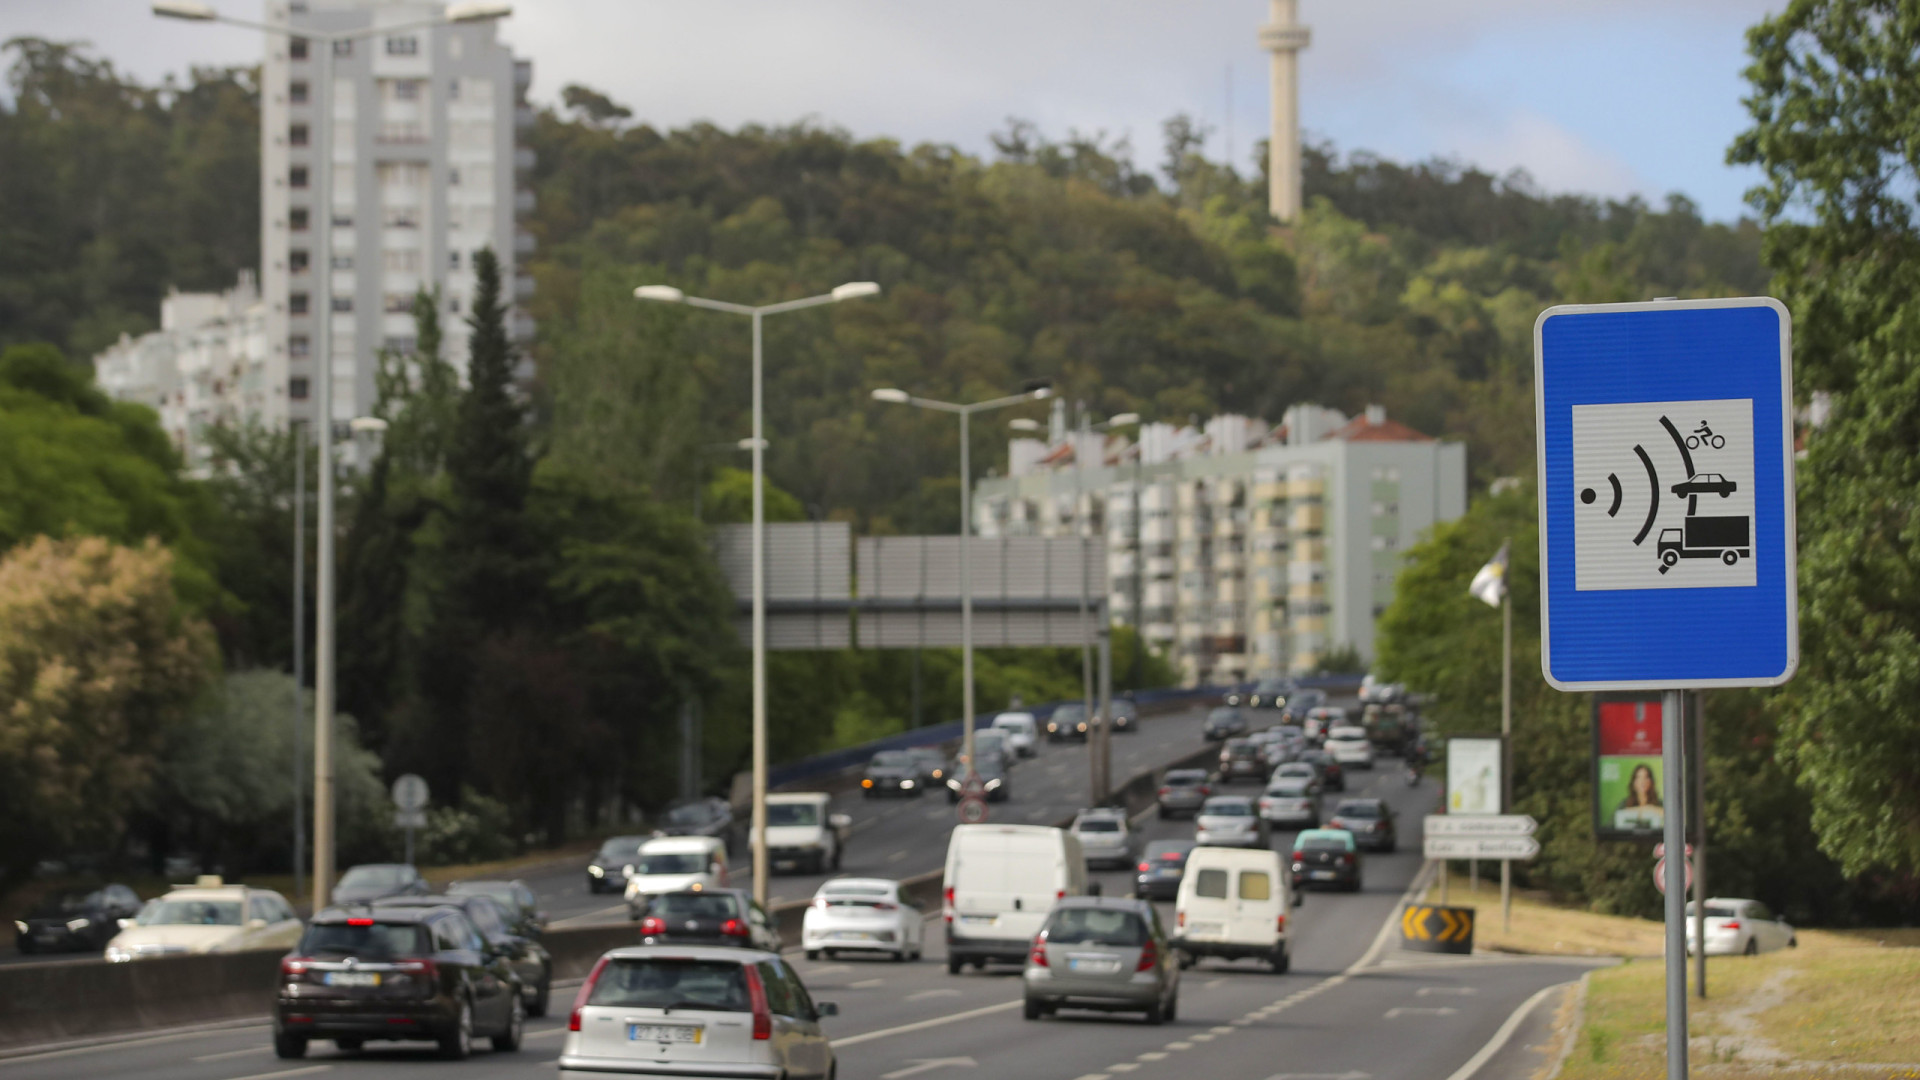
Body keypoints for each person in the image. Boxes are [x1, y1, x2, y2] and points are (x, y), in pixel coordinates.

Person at [1613, 763, 1664, 829]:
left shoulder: (1659, 803)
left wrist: (1650, 808)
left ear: (1651, 781)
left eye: (1646, 777)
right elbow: (1616, 819)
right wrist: (1644, 809)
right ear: (1634, 782)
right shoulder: (1625, 803)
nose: (1642, 781)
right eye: (1638, 777)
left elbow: (1669, 816)